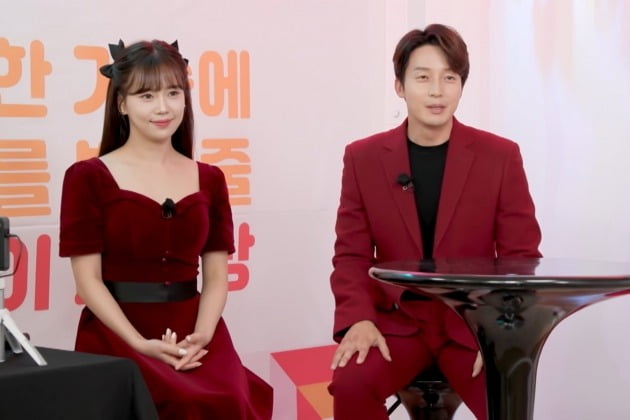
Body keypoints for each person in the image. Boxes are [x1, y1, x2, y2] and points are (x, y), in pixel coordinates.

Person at [328, 24, 542, 419]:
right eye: (423, 77)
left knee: (507, 392)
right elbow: (351, 256)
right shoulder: (363, 158)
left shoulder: (500, 156)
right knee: (350, 383)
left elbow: (521, 259)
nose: (437, 91)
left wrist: (501, 330)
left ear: (461, 85)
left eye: (450, 78)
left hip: (473, 326)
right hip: (396, 323)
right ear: (399, 85)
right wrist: (358, 319)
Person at [59, 39, 273, 420]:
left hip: (194, 332)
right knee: (168, 402)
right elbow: (88, 281)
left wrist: (202, 335)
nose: (163, 107)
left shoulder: (210, 179)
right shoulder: (87, 177)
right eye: (147, 95)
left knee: (228, 399)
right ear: (122, 104)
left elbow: (216, 277)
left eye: (173, 93)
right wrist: (139, 343)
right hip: (117, 332)